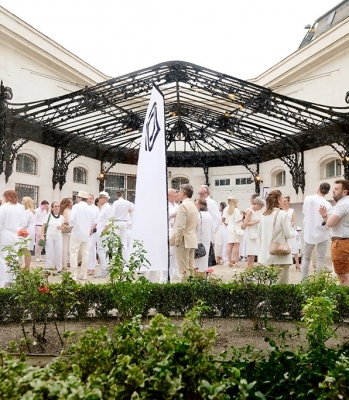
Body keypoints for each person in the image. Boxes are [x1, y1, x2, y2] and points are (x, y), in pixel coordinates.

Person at [258, 190, 294, 284]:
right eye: (282, 198)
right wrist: (294, 231)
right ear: (278, 199)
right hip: (279, 253)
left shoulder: (263, 215)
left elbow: (259, 234)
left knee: (267, 284)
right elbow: (288, 234)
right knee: (280, 284)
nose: (283, 201)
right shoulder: (282, 214)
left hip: (265, 254)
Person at [319, 179, 349, 286]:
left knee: (343, 276)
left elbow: (329, 223)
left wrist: (323, 215)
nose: (333, 191)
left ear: (344, 192)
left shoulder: (342, 204)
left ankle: (345, 301)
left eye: (336, 189)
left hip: (341, 244)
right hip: (345, 243)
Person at [302, 182, 331, 280]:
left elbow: (304, 212)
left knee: (306, 258)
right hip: (322, 233)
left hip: (309, 231)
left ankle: (304, 281)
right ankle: (319, 282)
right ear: (327, 192)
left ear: (318, 188)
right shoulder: (327, 204)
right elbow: (328, 221)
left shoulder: (308, 199)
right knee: (320, 259)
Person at [170, 184, 198, 278]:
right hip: (191, 239)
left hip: (183, 240)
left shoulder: (183, 206)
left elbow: (180, 226)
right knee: (190, 269)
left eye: (179, 191)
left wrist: (177, 241)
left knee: (184, 271)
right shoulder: (193, 205)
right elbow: (195, 224)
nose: (178, 193)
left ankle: (186, 290)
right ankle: (192, 289)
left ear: (184, 193)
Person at [69, 190, 96, 281]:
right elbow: (93, 221)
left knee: (73, 253)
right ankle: (83, 274)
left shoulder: (76, 207)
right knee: (85, 254)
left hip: (76, 232)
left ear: (80, 198)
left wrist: (72, 226)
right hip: (86, 234)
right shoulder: (90, 208)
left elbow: (72, 220)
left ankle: (73, 274)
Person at [0, 190, 24, 287]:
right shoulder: (20, 207)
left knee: (3, 257)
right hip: (16, 234)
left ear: (6, 197)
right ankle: (13, 279)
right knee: (14, 257)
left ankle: (3, 281)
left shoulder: (4, 207)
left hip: (5, 233)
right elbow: (22, 221)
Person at [160, 188, 180, 283]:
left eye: (176, 193)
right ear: (168, 196)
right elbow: (162, 218)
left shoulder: (176, 205)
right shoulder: (164, 205)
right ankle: (163, 277)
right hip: (167, 231)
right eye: (174, 193)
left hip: (175, 231)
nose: (176, 195)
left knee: (175, 254)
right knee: (168, 254)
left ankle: (172, 274)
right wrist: (174, 215)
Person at [40, 202, 64, 273]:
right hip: (49, 237)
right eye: (55, 206)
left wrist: (61, 228)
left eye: (58, 206)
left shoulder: (61, 217)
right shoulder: (48, 216)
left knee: (59, 253)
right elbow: (43, 226)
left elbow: (63, 226)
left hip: (58, 237)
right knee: (49, 253)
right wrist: (42, 236)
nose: (57, 208)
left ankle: (59, 268)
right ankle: (48, 268)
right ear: (52, 208)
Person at [94, 191, 113, 278]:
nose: (99, 199)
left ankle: (104, 269)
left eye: (100, 198)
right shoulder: (103, 208)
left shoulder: (107, 208)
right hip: (101, 230)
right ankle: (105, 268)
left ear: (104, 199)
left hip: (103, 231)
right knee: (102, 250)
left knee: (101, 250)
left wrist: (104, 230)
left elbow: (111, 220)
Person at [193, 198, 214, 276]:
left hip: (198, 242)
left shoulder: (198, 215)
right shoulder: (209, 215)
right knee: (204, 264)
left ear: (200, 205)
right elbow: (212, 229)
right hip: (207, 241)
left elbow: (193, 227)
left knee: (197, 264)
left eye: (196, 204)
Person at [243, 196, 265, 268]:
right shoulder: (250, 211)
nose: (261, 208)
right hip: (250, 233)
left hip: (255, 233)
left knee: (254, 252)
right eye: (260, 206)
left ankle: (251, 267)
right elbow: (246, 222)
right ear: (257, 204)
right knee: (251, 252)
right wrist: (256, 222)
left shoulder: (256, 212)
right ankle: (249, 268)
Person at [112, 191, 134, 261]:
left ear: (116, 196)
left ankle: (114, 259)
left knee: (115, 241)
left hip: (117, 222)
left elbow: (113, 213)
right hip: (124, 222)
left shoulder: (116, 203)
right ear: (123, 195)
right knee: (124, 242)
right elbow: (134, 208)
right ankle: (125, 260)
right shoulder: (127, 202)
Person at [222, 196, 243, 267]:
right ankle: (236, 261)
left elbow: (225, 220)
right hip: (236, 228)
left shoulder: (228, 210)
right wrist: (243, 217)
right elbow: (238, 219)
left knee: (230, 245)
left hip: (229, 228)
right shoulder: (236, 210)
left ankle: (229, 261)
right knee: (236, 246)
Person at [283, 196, 302, 271]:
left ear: (288, 202)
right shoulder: (281, 211)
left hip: (291, 230)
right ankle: (285, 263)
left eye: (285, 201)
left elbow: (294, 221)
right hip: (283, 231)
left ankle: (297, 264)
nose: (284, 202)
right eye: (283, 201)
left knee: (294, 247)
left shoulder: (291, 210)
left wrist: (289, 225)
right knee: (284, 247)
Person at [21, 196, 36, 269]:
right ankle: (27, 266)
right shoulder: (31, 211)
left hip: (27, 231)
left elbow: (24, 223)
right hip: (31, 231)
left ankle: (27, 267)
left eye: (22, 201)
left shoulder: (27, 211)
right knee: (27, 250)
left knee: (26, 250)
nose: (21, 202)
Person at [59, 197, 73, 270]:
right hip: (66, 230)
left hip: (67, 230)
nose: (71, 204)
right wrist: (73, 223)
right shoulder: (65, 210)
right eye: (70, 202)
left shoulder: (69, 210)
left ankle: (64, 262)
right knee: (65, 246)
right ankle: (63, 263)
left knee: (66, 246)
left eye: (71, 202)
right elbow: (65, 220)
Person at [87, 193, 98, 276]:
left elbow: (97, 220)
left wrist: (92, 228)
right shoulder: (85, 207)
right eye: (88, 198)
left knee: (91, 247)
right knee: (87, 248)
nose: (89, 199)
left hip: (93, 230)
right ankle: (88, 266)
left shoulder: (96, 208)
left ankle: (92, 267)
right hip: (85, 230)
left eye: (91, 198)